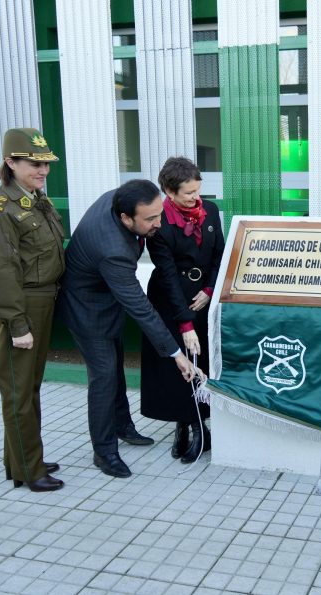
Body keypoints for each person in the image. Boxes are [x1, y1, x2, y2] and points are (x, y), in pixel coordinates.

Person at [56, 179, 201, 479]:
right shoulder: (113, 250)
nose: (158, 223)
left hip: (107, 299)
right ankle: (104, 451)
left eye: (159, 214)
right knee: (104, 376)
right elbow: (140, 308)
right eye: (150, 220)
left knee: (115, 366)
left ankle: (123, 426)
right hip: (87, 311)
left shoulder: (123, 198)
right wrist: (176, 353)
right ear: (125, 218)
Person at [0, 128, 66, 492]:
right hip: (21, 306)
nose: (42, 170)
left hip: (42, 301)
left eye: (45, 164)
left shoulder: (34, 199)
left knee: (29, 387)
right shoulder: (0, 211)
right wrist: (16, 324)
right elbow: (2, 274)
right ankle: (29, 470)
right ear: (11, 163)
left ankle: (25, 457)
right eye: (34, 163)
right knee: (18, 392)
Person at [141, 157, 224, 463]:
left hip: (203, 297)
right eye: (188, 192)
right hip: (171, 299)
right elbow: (166, 273)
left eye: (197, 190)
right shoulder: (159, 222)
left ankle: (200, 425)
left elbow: (219, 255)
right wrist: (185, 324)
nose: (195, 197)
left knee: (202, 361)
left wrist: (209, 290)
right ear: (169, 191)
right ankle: (184, 426)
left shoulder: (210, 211)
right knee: (179, 364)